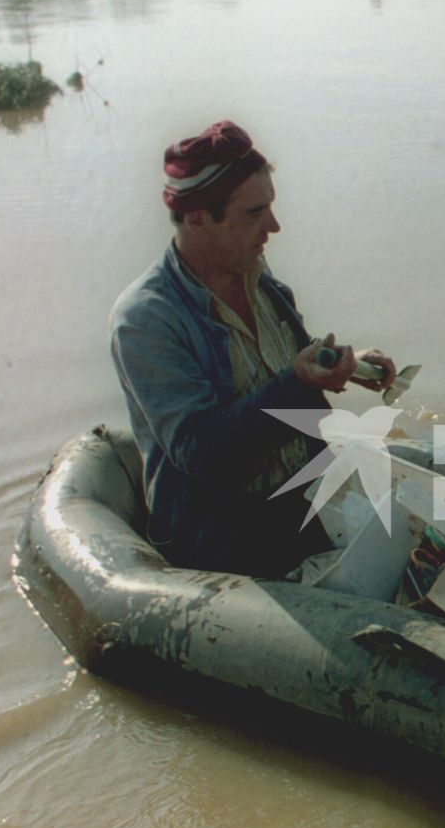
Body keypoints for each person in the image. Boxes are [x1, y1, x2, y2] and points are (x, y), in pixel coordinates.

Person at [110, 120, 395, 577]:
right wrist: (297, 383)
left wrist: (354, 365)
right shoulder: (147, 320)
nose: (274, 226)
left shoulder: (259, 279)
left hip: (304, 502)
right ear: (199, 217)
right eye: (254, 213)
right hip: (224, 540)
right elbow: (201, 451)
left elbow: (292, 361)